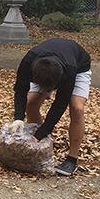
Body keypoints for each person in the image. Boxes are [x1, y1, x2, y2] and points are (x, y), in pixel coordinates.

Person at [12, 38, 91, 176]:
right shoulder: (28, 61)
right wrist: (18, 118)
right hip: (45, 67)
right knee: (31, 104)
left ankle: (72, 159)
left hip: (78, 66)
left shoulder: (69, 70)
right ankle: (39, 149)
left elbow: (59, 105)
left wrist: (43, 131)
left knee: (77, 108)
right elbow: (20, 90)